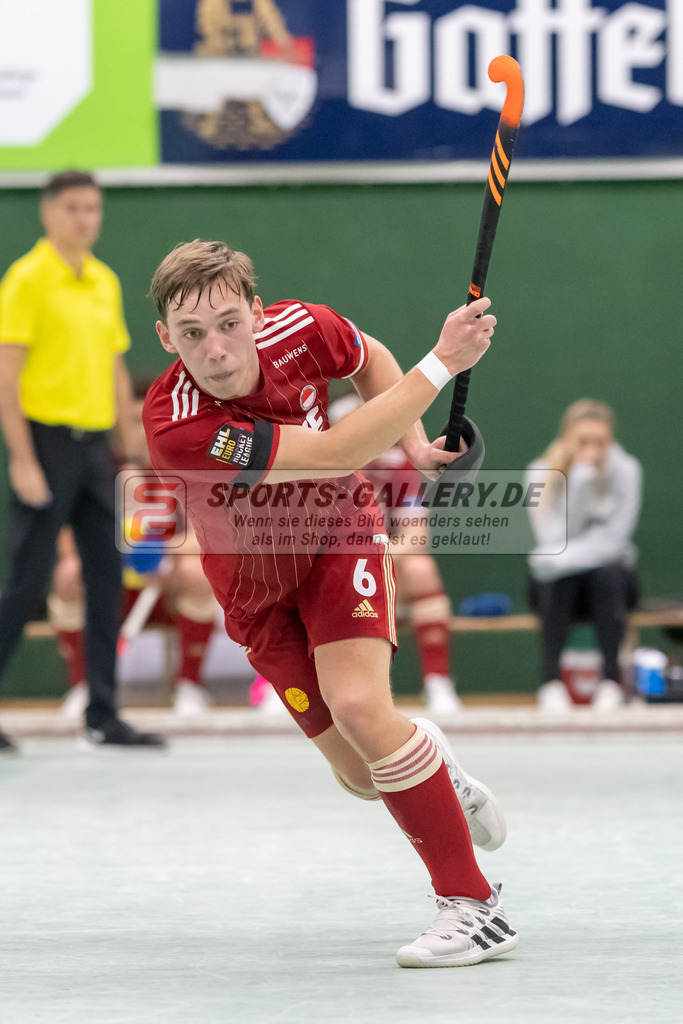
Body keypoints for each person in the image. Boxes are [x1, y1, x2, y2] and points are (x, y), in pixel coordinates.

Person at [142, 239, 518, 968]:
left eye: (227, 322)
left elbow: (366, 356)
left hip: (335, 535)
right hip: (252, 590)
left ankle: (473, 904)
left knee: (359, 709)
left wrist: (410, 437)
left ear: (256, 311)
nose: (215, 348)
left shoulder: (300, 328)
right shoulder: (176, 423)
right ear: (166, 338)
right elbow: (332, 450)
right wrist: (441, 363)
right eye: (191, 334)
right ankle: (434, 765)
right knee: (357, 774)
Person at [0, 170, 165, 752]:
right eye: (72, 208)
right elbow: (7, 378)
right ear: (48, 213)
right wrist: (22, 461)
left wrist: (131, 442)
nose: (84, 218)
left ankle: (103, 713)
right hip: (45, 446)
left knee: (106, 581)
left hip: (98, 450)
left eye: (93, 208)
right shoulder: (26, 279)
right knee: (27, 584)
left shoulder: (104, 281)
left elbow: (116, 366)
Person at [51, 382, 219, 719]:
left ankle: (188, 688)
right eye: (130, 421)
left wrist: (163, 549)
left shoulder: (185, 466)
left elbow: (208, 536)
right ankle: (82, 689)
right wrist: (115, 553)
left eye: (147, 420)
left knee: (198, 575)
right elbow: (67, 541)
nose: (140, 431)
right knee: (68, 575)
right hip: (110, 589)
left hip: (166, 590)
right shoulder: (97, 470)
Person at [526, 399, 642, 713]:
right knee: (560, 579)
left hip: (611, 585)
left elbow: (616, 542)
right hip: (558, 588)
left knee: (607, 574)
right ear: (567, 440)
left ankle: (610, 683)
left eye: (600, 442)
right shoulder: (539, 473)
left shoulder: (628, 471)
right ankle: (551, 684)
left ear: (611, 442)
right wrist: (577, 484)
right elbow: (551, 540)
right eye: (583, 441)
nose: (592, 449)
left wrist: (556, 560)